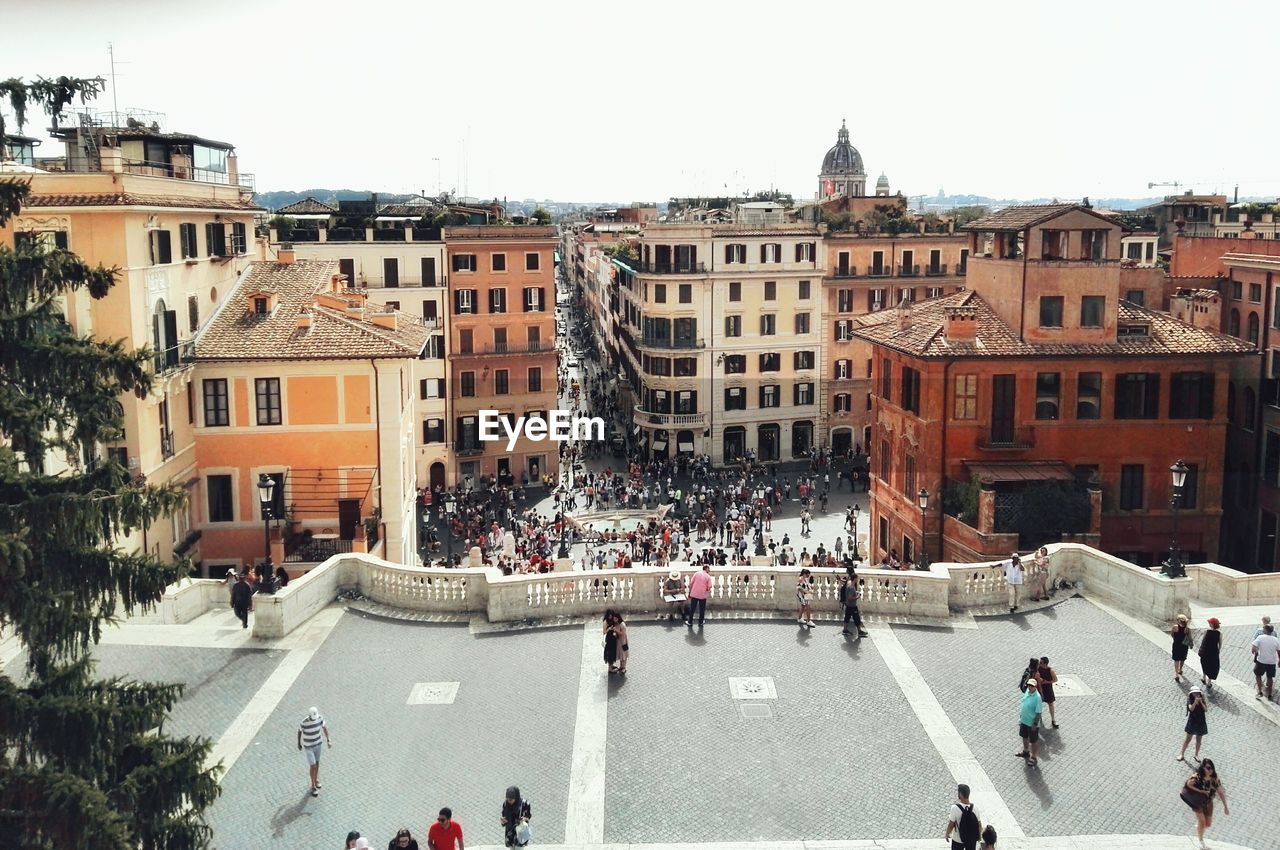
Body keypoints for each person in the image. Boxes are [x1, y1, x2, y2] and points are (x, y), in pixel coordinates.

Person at [1181, 759, 1228, 850]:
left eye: (1212, 768)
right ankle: (1201, 841)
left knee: (1208, 824)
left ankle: (1199, 827)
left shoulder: (1214, 779)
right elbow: (1188, 784)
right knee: (1202, 822)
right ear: (1203, 768)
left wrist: (1225, 806)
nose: (1210, 770)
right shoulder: (1197, 777)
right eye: (1208, 768)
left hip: (1208, 802)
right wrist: (1200, 791)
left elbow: (1221, 792)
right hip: (1197, 802)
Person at [297, 706, 331, 796]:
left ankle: (316, 780)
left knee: (317, 763)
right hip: (308, 746)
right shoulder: (304, 722)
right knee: (313, 765)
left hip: (318, 744)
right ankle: (313, 786)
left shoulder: (319, 718)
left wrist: (328, 739)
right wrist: (299, 743)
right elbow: (299, 731)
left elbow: (324, 728)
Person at [944, 783, 982, 850]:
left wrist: (947, 834)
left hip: (957, 840)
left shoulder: (955, 808)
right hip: (971, 840)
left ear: (961, 794)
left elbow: (951, 825)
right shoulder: (975, 808)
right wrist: (979, 837)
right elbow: (979, 825)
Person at [1016, 678, 1043, 767]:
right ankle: (1026, 751)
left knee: (1033, 741)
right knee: (1024, 737)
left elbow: (1038, 713)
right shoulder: (1027, 691)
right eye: (1029, 685)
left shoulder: (1037, 698)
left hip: (1031, 723)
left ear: (1035, 687)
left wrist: (1035, 724)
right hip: (1024, 720)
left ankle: (1034, 757)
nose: (1030, 687)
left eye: (1032, 686)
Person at [1178, 685, 1208, 763]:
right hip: (1192, 721)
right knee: (1188, 739)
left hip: (1201, 722)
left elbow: (1206, 709)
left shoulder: (1202, 699)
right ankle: (1182, 754)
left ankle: (1196, 754)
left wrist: (1201, 702)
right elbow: (1191, 709)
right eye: (1194, 693)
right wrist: (1195, 702)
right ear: (1192, 694)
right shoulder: (1190, 700)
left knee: (1199, 740)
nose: (1196, 695)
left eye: (1197, 693)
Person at [1252, 622, 1279, 700]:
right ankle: (1270, 694)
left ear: (1265, 630)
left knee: (1258, 675)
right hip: (1272, 662)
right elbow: (1279, 651)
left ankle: (1259, 691)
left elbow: (1254, 647)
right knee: (1270, 677)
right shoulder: (1276, 640)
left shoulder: (1260, 637)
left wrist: (1255, 651)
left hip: (1261, 661)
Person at [839, 566, 869, 638]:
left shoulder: (849, 584)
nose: (857, 580)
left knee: (847, 617)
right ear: (854, 579)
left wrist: (855, 592)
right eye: (857, 579)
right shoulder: (852, 587)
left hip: (848, 605)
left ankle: (845, 630)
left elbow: (847, 587)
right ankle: (859, 631)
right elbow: (850, 598)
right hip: (852, 605)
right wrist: (857, 597)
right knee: (857, 618)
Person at [1199, 617, 1222, 690]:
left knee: (1204, 663)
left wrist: (1201, 649)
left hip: (1205, 651)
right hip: (1214, 651)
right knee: (1212, 665)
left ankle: (1203, 677)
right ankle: (1209, 682)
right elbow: (1220, 644)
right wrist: (1218, 651)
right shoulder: (1219, 634)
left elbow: (1203, 641)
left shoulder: (1207, 631)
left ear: (1211, 624)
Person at [1036, 657, 1059, 728]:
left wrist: (1047, 682)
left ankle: (1053, 720)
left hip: (1048, 689)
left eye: (1041, 663)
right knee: (1038, 703)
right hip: (1040, 688)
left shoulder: (1050, 671)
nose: (1039, 664)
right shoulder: (1038, 669)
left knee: (1050, 704)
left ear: (1045, 664)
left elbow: (1055, 680)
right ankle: (1038, 718)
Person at [1172, 613, 1193, 682]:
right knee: (1182, 659)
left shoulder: (1175, 627)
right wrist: (1191, 644)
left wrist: (1176, 639)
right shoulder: (1187, 629)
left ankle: (1176, 674)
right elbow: (1190, 638)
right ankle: (1180, 670)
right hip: (1184, 646)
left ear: (1178, 620)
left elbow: (1172, 635)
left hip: (1176, 645)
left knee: (1176, 659)